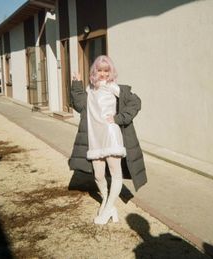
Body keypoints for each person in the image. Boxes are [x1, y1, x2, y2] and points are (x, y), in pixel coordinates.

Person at [68, 55, 147, 225]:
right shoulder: (90, 89)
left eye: (106, 70)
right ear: (94, 71)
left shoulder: (114, 87)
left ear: (111, 72)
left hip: (110, 134)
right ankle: (106, 202)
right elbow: (79, 105)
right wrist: (76, 84)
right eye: (100, 70)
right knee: (97, 174)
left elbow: (135, 102)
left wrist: (119, 119)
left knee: (115, 173)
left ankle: (108, 208)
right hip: (95, 137)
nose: (103, 74)